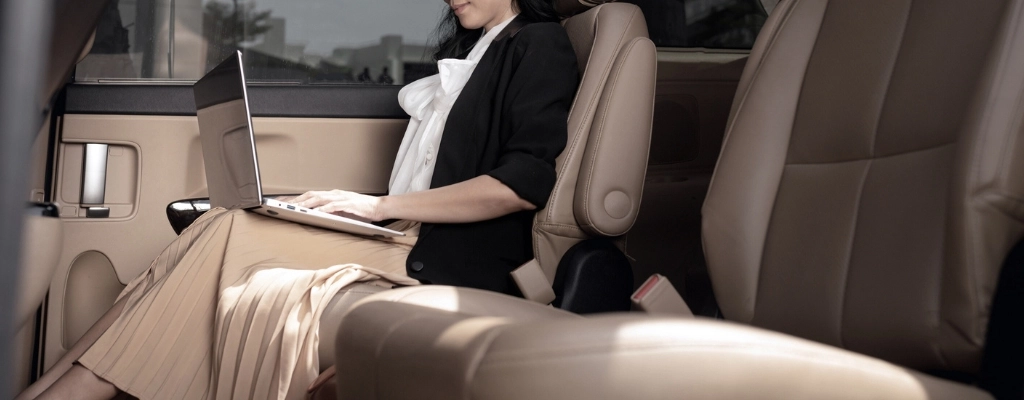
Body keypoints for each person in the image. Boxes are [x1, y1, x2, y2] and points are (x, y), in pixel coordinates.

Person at [18, 0, 578, 399]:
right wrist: (353, 205)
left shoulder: (537, 43)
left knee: (228, 229)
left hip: (441, 256)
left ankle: (81, 384)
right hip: (404, 231)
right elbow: (431, 174)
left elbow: (518, 185)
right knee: (224, 220)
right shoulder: (473, 48)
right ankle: (62, 382)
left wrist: (378, 208)